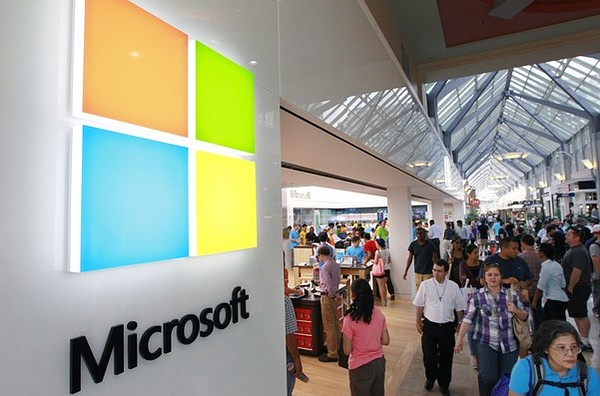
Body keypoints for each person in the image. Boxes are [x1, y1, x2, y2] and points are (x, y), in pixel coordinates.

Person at [455, 263, 529, 396]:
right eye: (489, 275)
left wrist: (516, 310)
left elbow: (526, 315)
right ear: (484, 277)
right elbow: (467, 319)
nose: (493, 278)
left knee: (506, 377)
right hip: (486, 341)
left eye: (496, 275)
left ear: (501, 277)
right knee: (487, 377)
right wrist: (459, 339)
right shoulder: (477, 296)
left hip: (510, 343)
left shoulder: (511, 295)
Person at [414, 259, 466, 396]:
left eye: (440, 271)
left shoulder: (453, 287)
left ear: (446, 272)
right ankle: (430, 378)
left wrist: (460, 324)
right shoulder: (426, 285)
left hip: (447, 327)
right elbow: (419, 305)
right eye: (434, 270)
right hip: (430, 326)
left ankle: (444, 383)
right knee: (429, 357)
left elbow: (459, 308)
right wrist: (418, 322)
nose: (436, 273)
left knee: (446, 358)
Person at [508, 320, 600, 395]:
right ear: (546, 349)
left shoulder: (588, 375)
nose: (570, 354)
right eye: (561, 348)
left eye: (573, 347)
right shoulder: (527, 368)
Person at [342, 278, 390, 396]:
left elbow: (347, 350)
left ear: (353, 295)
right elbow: (385, 340)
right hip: (379, 364)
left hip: (359, 366)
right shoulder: (378, 313)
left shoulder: (349, 319)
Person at [562, 226, 594, 352]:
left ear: (577, 237)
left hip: (579, 287)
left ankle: (585, 341)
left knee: (581, 313)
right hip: (575, 288)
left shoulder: (578, 251)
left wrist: (570, 287)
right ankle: (582, 337)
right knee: (576, 313)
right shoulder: (574, 250)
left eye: (569, 235)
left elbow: (577, 271)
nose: (566, 236)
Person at [459, 243, 484, 369]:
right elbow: (464, 280)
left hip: (482, 297)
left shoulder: (482, 263)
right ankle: (473, 354)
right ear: (468, 253)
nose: (477, 254)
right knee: (470, 325)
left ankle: (480, 353)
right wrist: (478, 281)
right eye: (474, 252)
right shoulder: (463, 265)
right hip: (469, 298)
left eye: (477, 251)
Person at [316, 245, 342, 362]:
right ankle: (337, 347)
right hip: (335, 296)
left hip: (327, 297)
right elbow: (333, 281)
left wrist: (331, 294)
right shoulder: (335, 264)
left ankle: (332, 353)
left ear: (322, 255)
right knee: (336, 324)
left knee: (329, 326)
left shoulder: (325, 267)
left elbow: (329, 285)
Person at [531, 243, 568, 322]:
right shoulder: (557, 265)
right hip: (561, 299)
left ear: (542, 253)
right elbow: (563, 285)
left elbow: (540, 286)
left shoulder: (546, 267)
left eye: (538, 250)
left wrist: (534, 301)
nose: (537, 252)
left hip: (553, 300)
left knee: (555, 325)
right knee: (551, 323)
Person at [519, 234, 543, 327]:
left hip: (525, 291)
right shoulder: (540, 256)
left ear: (523, 243)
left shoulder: (520, 257)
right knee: (537, 314)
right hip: (538, 290)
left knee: (524, 314)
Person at [285, 295, 304, 395]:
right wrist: (297, 360)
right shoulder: (285, 301)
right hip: (284, 353)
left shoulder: (257, 298)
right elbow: (288, 335)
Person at [373, 238, 392, 306]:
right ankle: (385, 300)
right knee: (384, 285)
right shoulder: (387, 251)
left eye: (376, 243)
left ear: (378, 244)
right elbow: (389, 261)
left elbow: (375, 261)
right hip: (387, 269)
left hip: (380, 270)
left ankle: (383, 301)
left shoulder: (378, 252)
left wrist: (372, 261)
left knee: (381, 286)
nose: (375, 245)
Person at [589, 224, 600, 319]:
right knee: (597, 293)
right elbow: (596, 263)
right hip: (597, 276)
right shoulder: (594, 246)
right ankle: (597, 310)